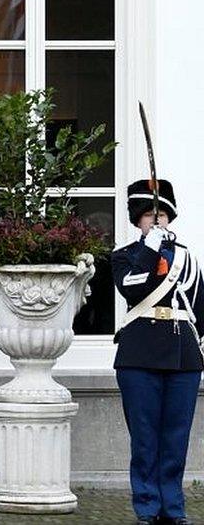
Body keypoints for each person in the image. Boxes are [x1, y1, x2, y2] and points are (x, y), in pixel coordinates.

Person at [112, 179, 204, 525]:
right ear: (138, 220)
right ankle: (148, 507)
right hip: (139, 354)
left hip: (182, 355)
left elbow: (201, 308)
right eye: (150, 215)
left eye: (161, 214)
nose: (157, 220)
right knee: (145, 438)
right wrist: (150, 250)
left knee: (176, 438)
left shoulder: (187, 259)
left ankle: (174, 508)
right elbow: (133, 289)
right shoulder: (126, 256)